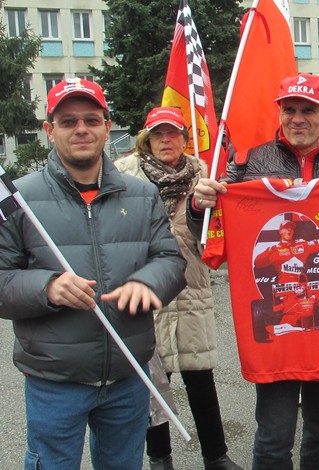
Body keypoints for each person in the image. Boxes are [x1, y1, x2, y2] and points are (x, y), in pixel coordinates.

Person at [187, 72, 319, 470]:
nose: (298, 118)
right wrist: (199, 204)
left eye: (309, 110)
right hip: (276, 335)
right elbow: (208, 239)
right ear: (280, 113)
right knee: (273, 435)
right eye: (290, 109)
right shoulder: (249, 164)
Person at [0, 78, 187, 470]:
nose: (81, 129)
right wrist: (47, 287)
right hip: (54, 381)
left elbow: (171, 260)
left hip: (128, 375)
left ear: (107, 125)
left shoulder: (142, 194)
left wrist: (146, 282)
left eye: (91, 119)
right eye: (68, 122)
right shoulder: (19, 200)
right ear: (50, 131)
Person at [114, 107, 241, 470]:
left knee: (201, 379)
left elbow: (218, 236)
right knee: (153, 386)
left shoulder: (203, 175)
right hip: (145, 294)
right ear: (146, 139)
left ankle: (216, 456)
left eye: (173, 133)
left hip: (191, 291)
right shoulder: (125, 176)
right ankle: (159, 458)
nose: (166, 140)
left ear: (185, 138)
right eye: (158, 134)